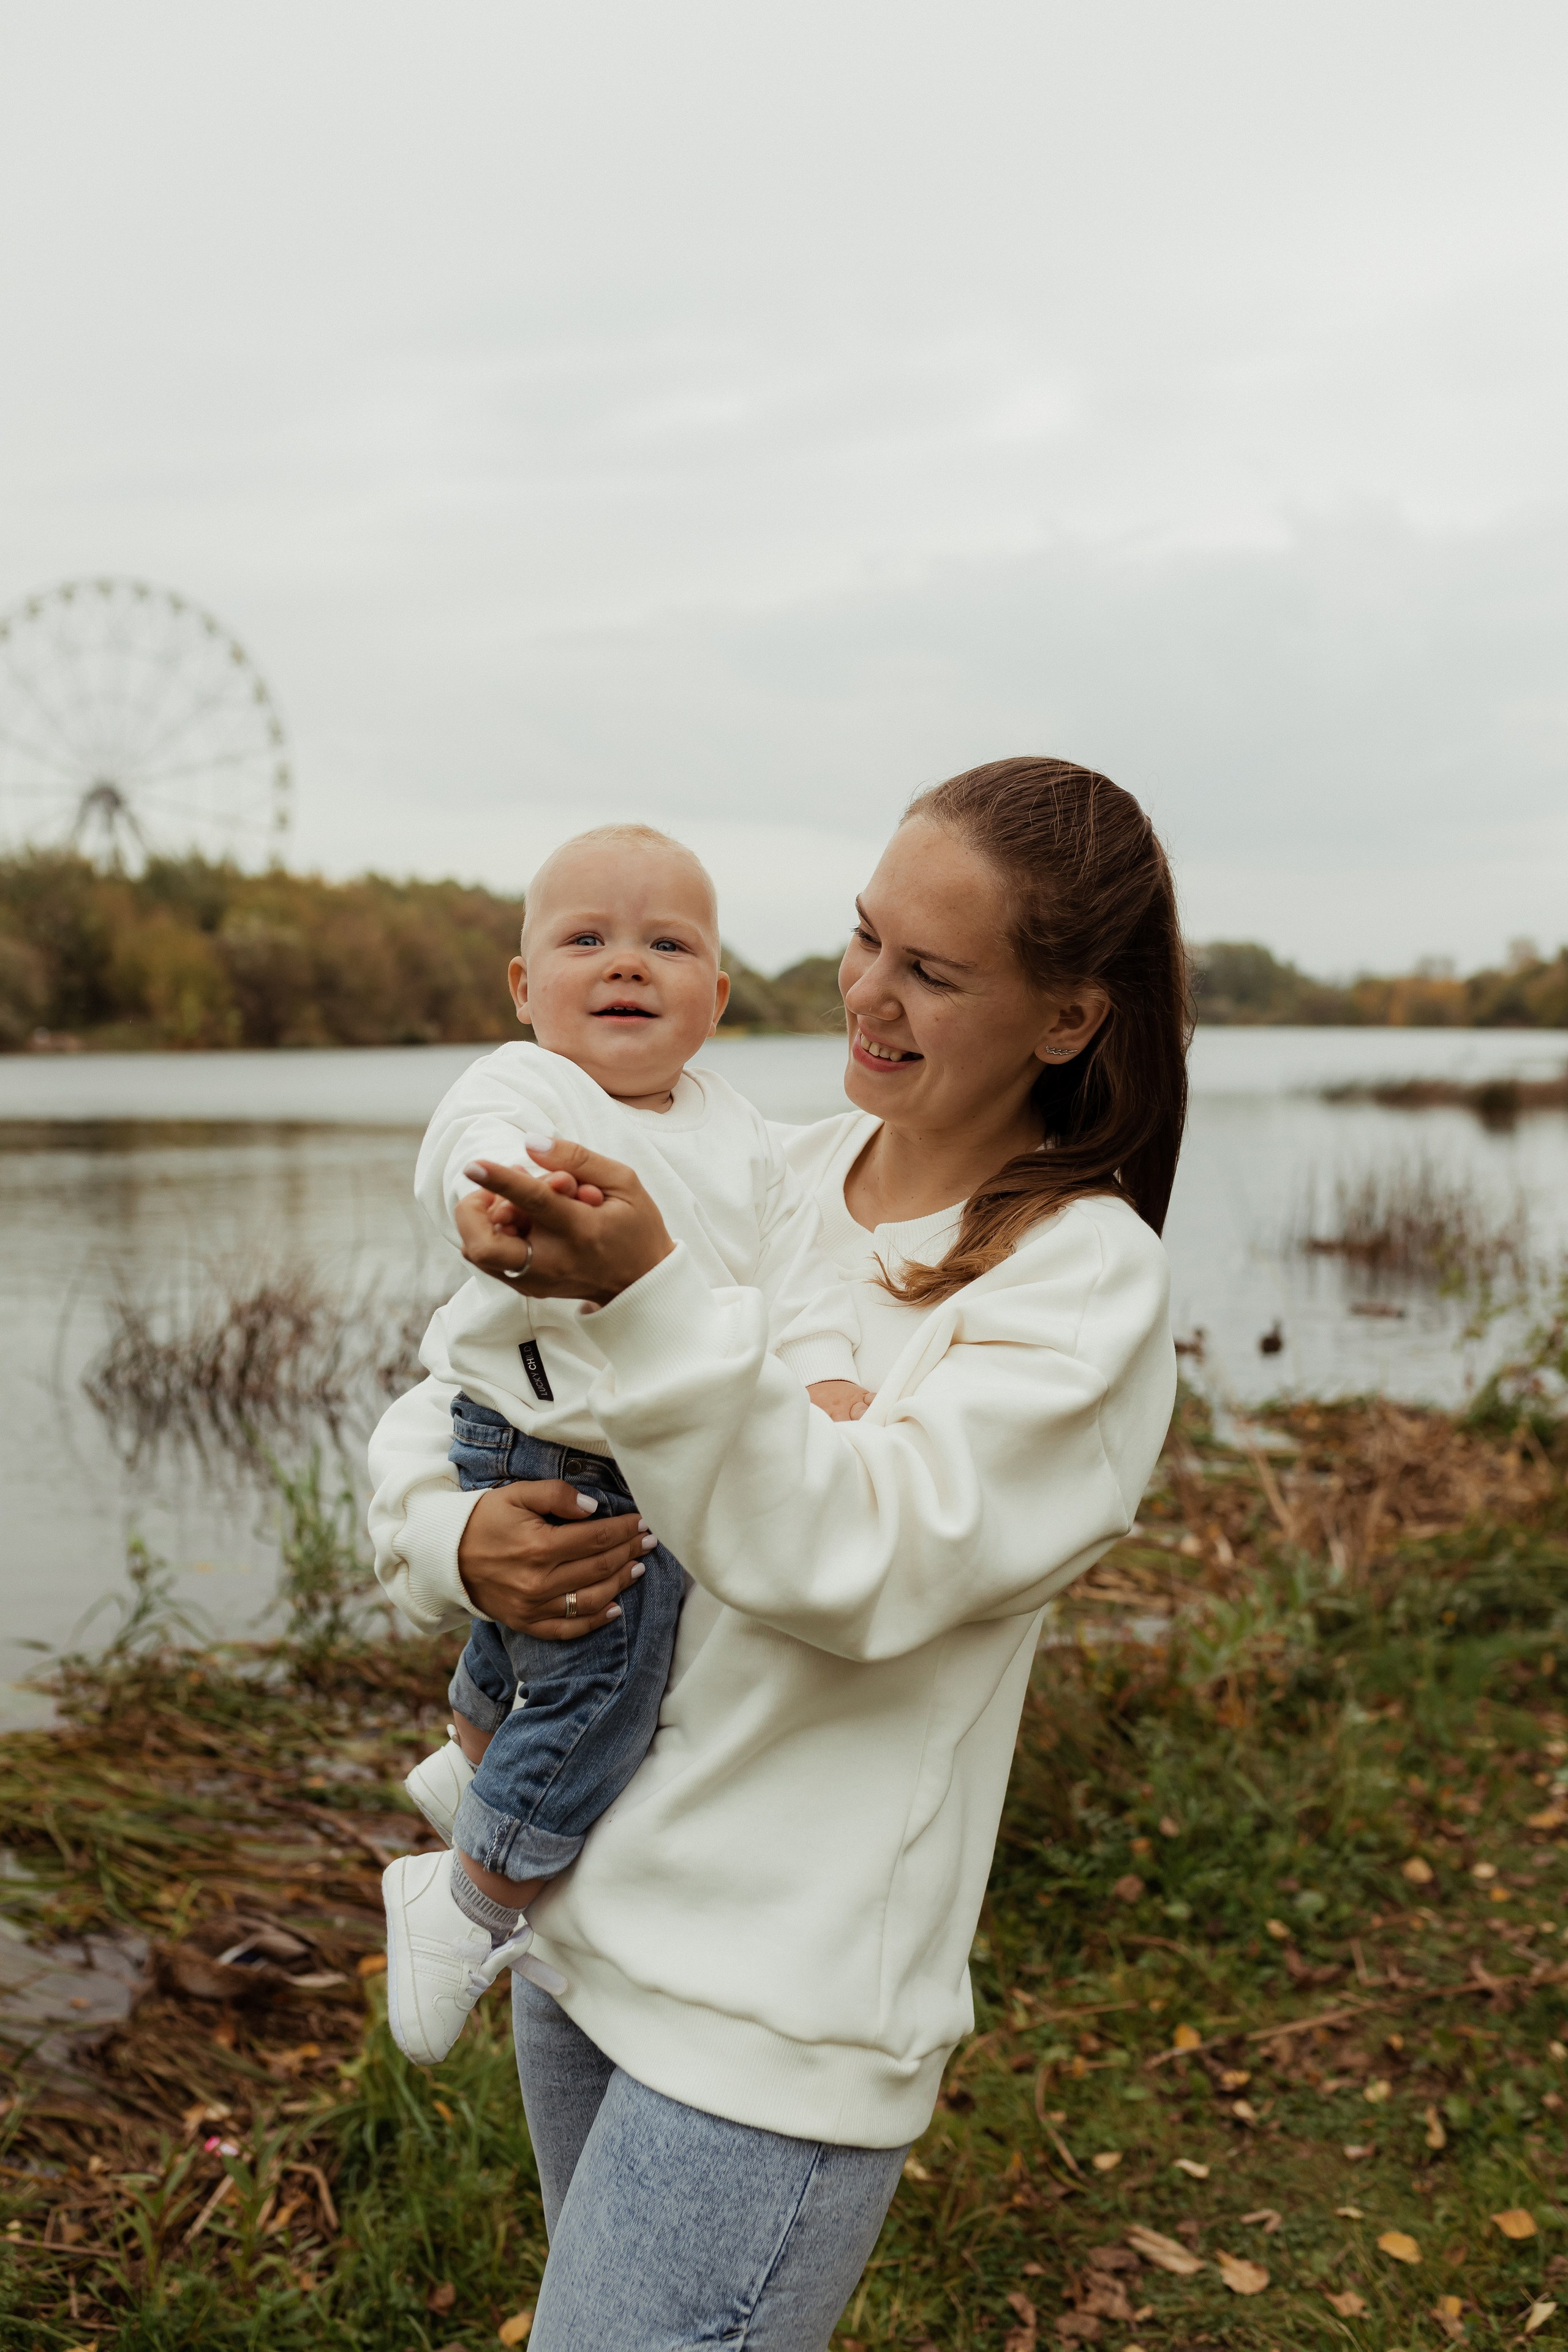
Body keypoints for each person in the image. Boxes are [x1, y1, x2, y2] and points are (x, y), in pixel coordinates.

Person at [368, 756, 1188, 2351]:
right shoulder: (766, 1167)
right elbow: (460, 1378)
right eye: (865, 936)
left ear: (1068, 1019)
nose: (867, 995)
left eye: (932, 972)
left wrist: (658, 1307)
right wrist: (451, 1538)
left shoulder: (1085, 1288)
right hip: (576, 1940)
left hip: (771, 2021)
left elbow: (853, 1561)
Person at [379, 821, 870, 2067]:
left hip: (649, 1448)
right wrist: (482, 1201)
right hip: (538, 1429)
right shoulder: (530, 1087)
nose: (627, 966)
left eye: (668, 944)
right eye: (585, 939)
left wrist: (821, 1378)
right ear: (523, 983)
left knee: (537, 1648)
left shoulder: (745, 1134)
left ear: (715, 991)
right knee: (603, 1685)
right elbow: (467, 1142)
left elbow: (799, 1277)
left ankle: (471, 1761)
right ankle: (469, 1899)